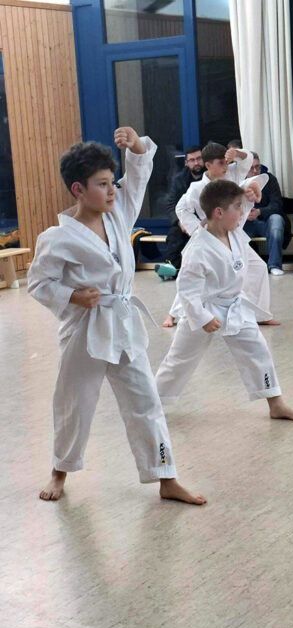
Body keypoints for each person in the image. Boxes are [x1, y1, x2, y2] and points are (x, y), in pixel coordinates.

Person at [27, 127, 206, 505]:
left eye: (112, 182)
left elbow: (138, 174)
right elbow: (39, 283)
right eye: (102, 184)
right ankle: (60, 470)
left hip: (123, 322)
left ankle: (165, 476)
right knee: (75, 401)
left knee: (145, 401)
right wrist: (73, 295)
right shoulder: (57, 238)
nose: (112, 190)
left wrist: (137, 145)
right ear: (77, 189)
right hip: (84, 330)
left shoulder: (118, 213)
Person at [156, 179, 293, 424]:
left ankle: (276, 402)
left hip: (235, 305)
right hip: (205, 308)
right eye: (237, 208)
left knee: (258, 351)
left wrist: (250, 188)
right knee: (180, 359)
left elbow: (244, 199)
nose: (243, 212)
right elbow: (186, 290)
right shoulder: (197, 249)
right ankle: (152, 404)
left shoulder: (232, 229)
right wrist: (201, 318)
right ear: (219, 213)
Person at [163, 141, 277, 327]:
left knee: (258, 268)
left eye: (226, 162)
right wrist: (197, 231)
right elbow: (181, 208)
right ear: (208, 165)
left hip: (234, 236)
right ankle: (173, 314)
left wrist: (236, 153)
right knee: (196, 276)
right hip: (210, 238)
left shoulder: (232, 173)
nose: (226, 166)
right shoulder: (197, 188)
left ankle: (260, 316)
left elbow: (247, 160)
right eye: (221, 163)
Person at [155, 146, 204, 281]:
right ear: (186, 163)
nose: (196, 163)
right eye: (192, 160)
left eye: (199, 159)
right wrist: (179, 221)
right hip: (185, 221)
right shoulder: (179, 180)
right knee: (174, 235)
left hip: (206, 221)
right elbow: (171, 204)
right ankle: (170, 268)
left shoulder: (209, 177)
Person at [243, 152, 292, 276]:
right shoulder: (237, 181)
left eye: (257, 167)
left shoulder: (269, 179)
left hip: (265, 221)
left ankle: (274, 265)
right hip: (245, 223)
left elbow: (277, 205)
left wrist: (259, 211)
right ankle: (242, 266)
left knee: (276, 220)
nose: (255, 171)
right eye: (251, 168)